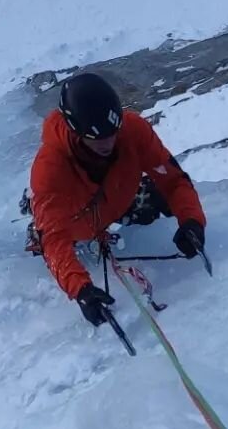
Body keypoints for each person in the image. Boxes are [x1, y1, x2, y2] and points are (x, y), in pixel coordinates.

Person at [27, 71, 207, 329]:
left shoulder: (132, 130)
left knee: (157, 196)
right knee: (47, 236)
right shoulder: (49, 169)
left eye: (113, 132)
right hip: (75, 221)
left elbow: (174, 180)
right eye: (98, 137)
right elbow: (55, 240)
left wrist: (192, 222)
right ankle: (33, 215)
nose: (109, 142)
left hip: (120, 198)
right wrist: (81, 290)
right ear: (76, 131)